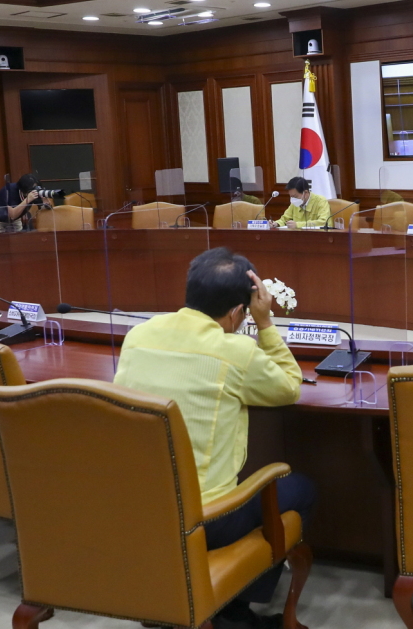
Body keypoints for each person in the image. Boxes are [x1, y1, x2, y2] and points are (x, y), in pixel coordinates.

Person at [113, 248, 311, 629]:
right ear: (239, 311)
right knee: (300, 489)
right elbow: (289, 388)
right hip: (202, 518)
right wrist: (266, 324)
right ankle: (232, 610)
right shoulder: (235, 350)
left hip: (138, 507)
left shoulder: (138, 335)